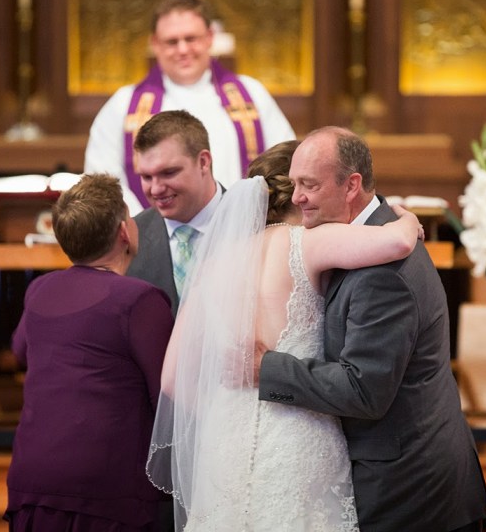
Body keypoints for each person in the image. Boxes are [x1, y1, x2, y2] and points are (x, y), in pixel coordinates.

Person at [146, 140, 424, 531]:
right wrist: (407, 219)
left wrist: (226, 414)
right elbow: (397, 242)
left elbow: (172, 380)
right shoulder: (303, 243)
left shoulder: (212, 263)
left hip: (225, 442)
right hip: (299, 434)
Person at [257, 127, 486, 531]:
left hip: (411, 489)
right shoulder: (373, 234)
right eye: (294, 184)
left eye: (309, 185)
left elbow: (364, 389)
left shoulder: (382, 271)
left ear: (351, 186)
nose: (296, 198)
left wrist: (268, 368)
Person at [5, 174, 174, 532]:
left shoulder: (39, 289)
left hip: (33, 478)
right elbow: (168, 396)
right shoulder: (140, 300)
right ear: (124, 231)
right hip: (106, 487)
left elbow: (20, 351)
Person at [84, 0, 295, 214]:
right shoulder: (122, 104)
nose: (183, 50)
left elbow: (285, 162)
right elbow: (103, 179)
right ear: (155, 43)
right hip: (154, 232)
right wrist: (144, 225)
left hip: (242, 227)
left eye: (191, 38)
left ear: (210, 37)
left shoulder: (252, 94)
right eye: (172, 42)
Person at [126, 109, 223, 316]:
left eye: (168, 173)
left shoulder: (257, 223)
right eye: (146, 177)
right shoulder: (129, 239)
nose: (156, 189)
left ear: (203, 162)